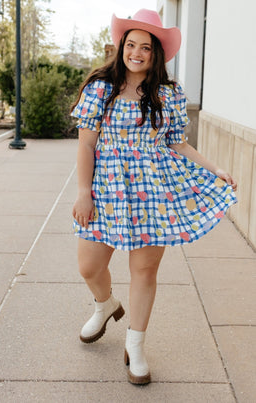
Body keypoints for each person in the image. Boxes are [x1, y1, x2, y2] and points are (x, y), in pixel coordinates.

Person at [70, 9, 237, 385]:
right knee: (88, 266)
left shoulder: (168, 94)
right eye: (131, 44)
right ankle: (105, 304)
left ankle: (136, 346)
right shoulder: (100, 87)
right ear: (121, 47)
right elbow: (86, 146)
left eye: (145, 47)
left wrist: (215, 169)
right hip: (107, 189)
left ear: (155, 53)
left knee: (144, 270)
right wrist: (83, 193)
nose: (137, 53)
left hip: (154, 191)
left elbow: (177, 142)